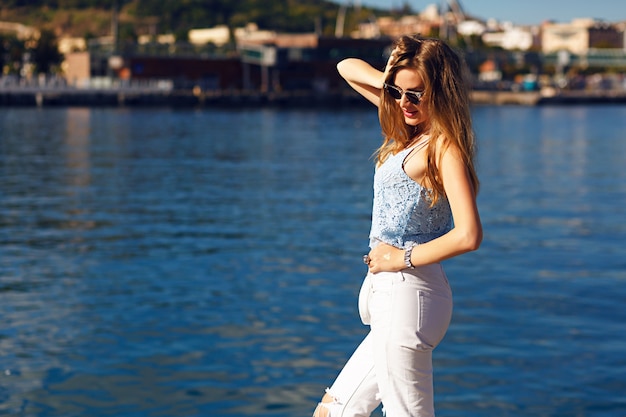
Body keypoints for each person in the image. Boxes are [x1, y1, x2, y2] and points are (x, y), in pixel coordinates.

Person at [312, 35, 483, 417]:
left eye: (417, 94)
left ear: (440, 92)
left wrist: (400, 258)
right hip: (391, 294)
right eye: (397, 92)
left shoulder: (442, 147)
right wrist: (393, 78)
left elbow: (469, 234)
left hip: (410, 292)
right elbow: (347, 68)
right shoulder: (408, 130)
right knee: (333, 413)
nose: (405, 103)